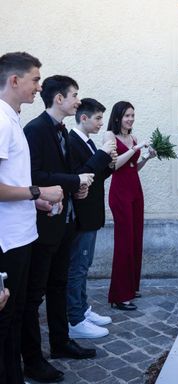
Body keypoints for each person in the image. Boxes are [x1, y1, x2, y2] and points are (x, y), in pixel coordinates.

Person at [23, 75, 97, 383]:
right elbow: (35, 175)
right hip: (43, 224)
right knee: (34, 295)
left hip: (65, 220)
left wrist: (76, 188)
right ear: (59, 99)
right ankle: (33, 360)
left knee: (58, 285)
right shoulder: (35, 130)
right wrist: (73, 182)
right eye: (74, 95)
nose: (78, 101)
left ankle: (61, 341)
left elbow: (64, 173)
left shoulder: (62, 131)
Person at [0, 52, 63, 384]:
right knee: (7, 319)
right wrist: (38, 193)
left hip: (22, 232)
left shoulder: (12, 118)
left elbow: (12, 180)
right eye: (36, 79)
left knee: (19, 313)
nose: (40, 87)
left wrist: (32, 201)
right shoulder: (0, 119)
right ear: (14, 80)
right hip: (7, 240)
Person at [67, 98, 116, 337]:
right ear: (83, 118)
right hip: (82, 216)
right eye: (97, 118)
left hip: (92, 214)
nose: (101, 124)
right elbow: (79, 175)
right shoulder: (71, 141)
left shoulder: (86, 141)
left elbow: (96, 174)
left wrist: (108, 161)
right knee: (77, 267)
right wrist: (103, 153)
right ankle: (74, 319)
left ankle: (82, 309)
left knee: (84, 266)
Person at [105, 101, 156, 311]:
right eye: (127, 115)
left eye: (133, 115)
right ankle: (119, 295)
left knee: (135, 239)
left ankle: (131, 287)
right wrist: (135, 148)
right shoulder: (109, 136)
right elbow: (114, 165)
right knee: (124, 241)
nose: (131, 119)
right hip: (120, 193)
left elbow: (134, 167)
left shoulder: (132, 137)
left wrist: (146, 157)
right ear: (118, 117)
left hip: (135, 189)